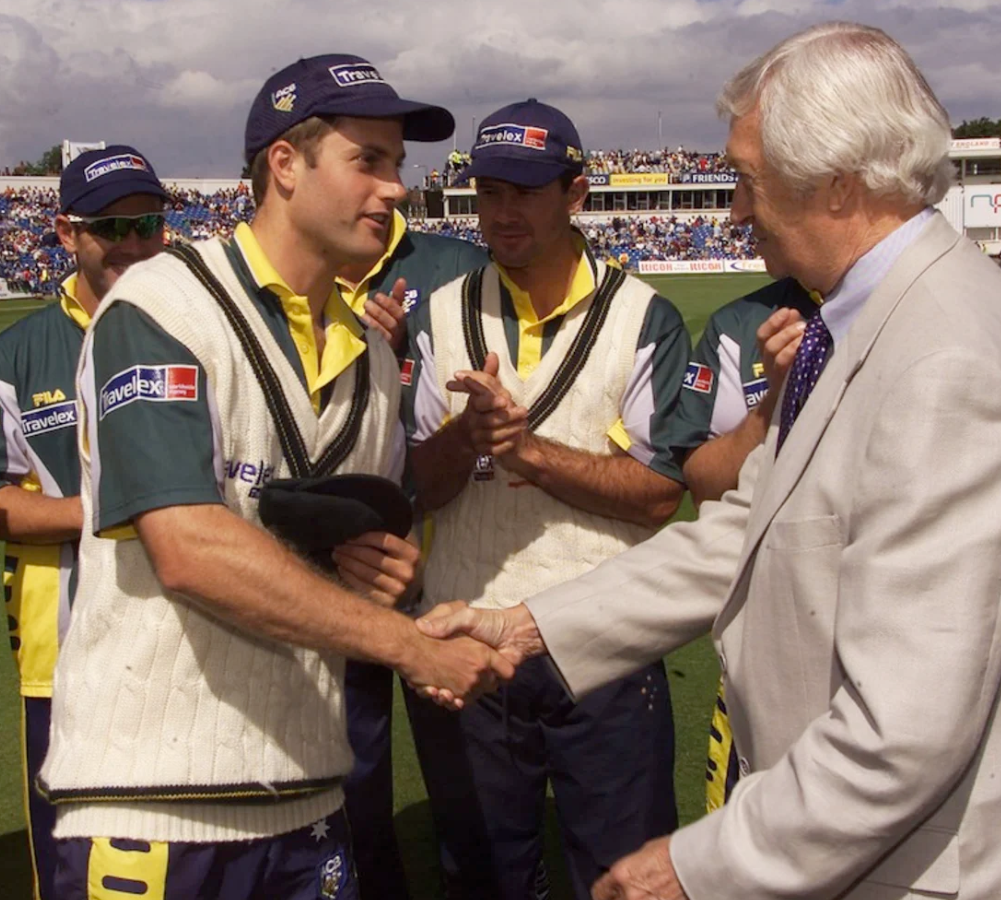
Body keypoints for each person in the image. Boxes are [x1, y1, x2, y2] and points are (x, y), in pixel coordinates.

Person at [418, 22, 1001, 900]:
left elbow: (905, 731)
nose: (735, 210)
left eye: (745, 180)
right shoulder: (874, 322)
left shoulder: (947, 363)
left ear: (835, 183)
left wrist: (695, 863)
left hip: (937, 868)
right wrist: (528, 626)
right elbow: (752, 523)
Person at [37, 54, 512, 900]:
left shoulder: (370, 354)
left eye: (398, 165)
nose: (397, 188)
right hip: (153, 806)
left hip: (311, 795)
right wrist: (405, 645)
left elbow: (348, 542)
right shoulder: (160, 305)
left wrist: (384, 572)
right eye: (368, 160)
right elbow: (186, 546)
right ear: (284, 166)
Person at [401, 99, 694, 899]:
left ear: (575, 194)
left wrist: (525, 448)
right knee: (485, 872)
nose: (503, 213)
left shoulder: (643, 320)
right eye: (489, 191)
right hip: (465, 634)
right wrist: (467, 437)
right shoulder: (440, 314)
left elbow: (658, 496)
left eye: (525, 192)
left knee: (625, 874)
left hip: (601, 640)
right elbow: (414, 488)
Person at [0, 145, 169, 900]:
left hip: (191, 635)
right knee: (71, 848)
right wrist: (110, 514)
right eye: (112, 228)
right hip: (64, 648)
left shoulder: (199, 328)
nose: (132, 245)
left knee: (189, 838)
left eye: (147, 225)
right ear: (67, 233)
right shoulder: (19, 352)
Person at [333, 167, 487, 900]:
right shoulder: (295, 267)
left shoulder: (453, 264)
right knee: (348, 768)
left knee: (467, 770)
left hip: (447, 559)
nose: (381, 186)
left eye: (386, 162)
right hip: (339, 559)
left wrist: (399, 362)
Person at [677, 275, 818, 814]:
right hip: (768, 639)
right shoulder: (738, 326)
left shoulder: (917, 301)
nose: (738, 211)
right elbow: (703, 486)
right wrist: (772, 410)